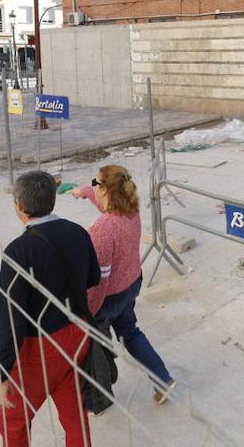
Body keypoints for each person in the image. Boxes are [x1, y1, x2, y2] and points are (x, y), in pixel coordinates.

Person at [0, 170, 101, 447]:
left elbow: (11, 319)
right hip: (78, 330)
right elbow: (93, 279)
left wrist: (1, 371)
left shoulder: (18, 251)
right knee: (74, 411)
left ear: (19, 206)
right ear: (53, 199)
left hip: (41, 345)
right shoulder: (77, 231)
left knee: (12, 420)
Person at [73, 165, 176, 404]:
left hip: (109, 297)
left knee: (94, 349)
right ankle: (163, 379)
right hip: (131, 284)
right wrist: (87, 191)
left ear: (107, 189)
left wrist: (88, 311)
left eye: (96, 183)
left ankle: (97, 399)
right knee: (130, 333)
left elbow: (99, 282)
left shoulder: (102, 230)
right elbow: (107, 207)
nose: (94, 186)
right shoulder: (131, 210)